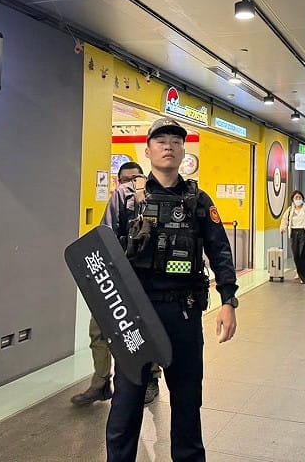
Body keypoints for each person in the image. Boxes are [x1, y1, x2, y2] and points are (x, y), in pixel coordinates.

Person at [101, 118, 238, 462]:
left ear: (183, 152)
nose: (168, 146)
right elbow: (105, 254)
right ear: (147, 151)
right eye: (161, 141)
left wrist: (228, 300)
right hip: (135, 316)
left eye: (176, 141)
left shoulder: (198, 200)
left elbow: (220, 251)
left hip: (183, 313)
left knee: (188, 401)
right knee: (126, 404)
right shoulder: (125, 198)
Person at [71, 162, 164, 407]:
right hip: (114, 279)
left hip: (143, 282)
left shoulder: (154, 201)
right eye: (125, 179)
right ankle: (100, 382)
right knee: (98, 330)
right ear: (118, 182)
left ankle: (151, 378)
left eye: (136, 178)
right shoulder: (118, 202)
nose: (131, 183)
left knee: (144, 331)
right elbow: (105, 235)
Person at [280, 190, 305, 265]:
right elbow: (284, 219)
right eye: (296, 197)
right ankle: (298, 268)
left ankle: (302, 269)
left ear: (302, 198)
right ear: (293, 199)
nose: (298, 199)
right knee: (295, 253)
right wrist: (283, 227)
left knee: (303, 252)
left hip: (303, 232)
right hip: (293, 233)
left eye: (299, 197)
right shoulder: (290, 210)